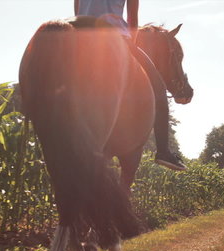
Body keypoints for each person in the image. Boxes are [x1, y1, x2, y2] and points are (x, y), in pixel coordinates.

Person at [74, 0, 186, 171]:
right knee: (158, 88)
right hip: (115, 36)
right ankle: (163, 151)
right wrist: (130, 48)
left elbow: (77, 8)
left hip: (79, 34)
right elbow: (132, 19)